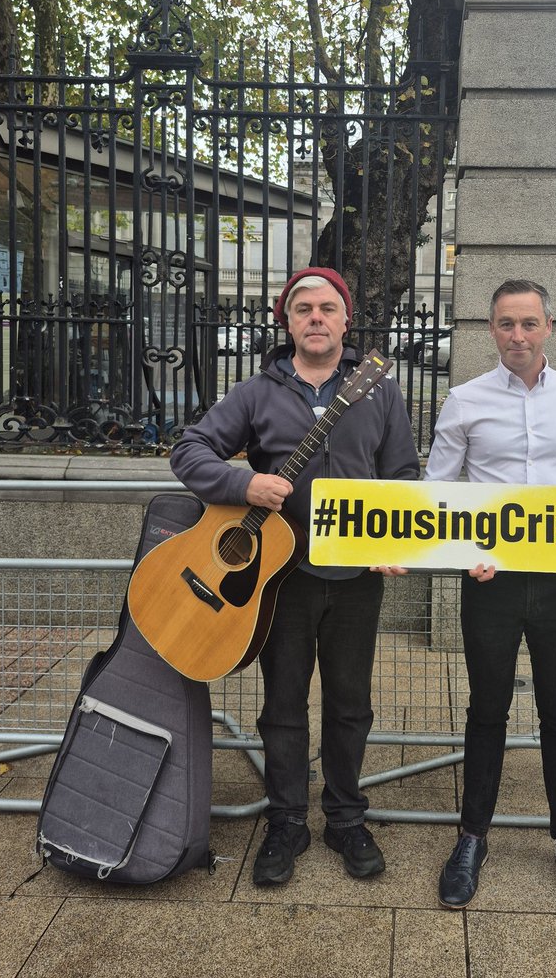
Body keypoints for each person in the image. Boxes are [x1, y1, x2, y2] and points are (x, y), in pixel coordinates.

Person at [169, 267, 420, 887]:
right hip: (278, 578)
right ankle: (286, 820)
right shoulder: (256, 392)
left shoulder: (378, 389)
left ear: (345, 319)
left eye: (327, 308)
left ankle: (345, 817)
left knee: (350, 703)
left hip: (356, 576)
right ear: (287, 321)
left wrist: (394, 540)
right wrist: (243, 484)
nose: (316, 318)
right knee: (282, 704)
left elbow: (403, 476)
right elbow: (189, 450)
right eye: (303, 309)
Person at [424, 279, 556, 921]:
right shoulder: (465, 400)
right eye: (507, 324)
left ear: (548, 328)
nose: (518, 335)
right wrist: (462, 550)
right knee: (486, 710)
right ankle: (472, 838)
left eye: (529, 323)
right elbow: (437, 488)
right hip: (492, 582)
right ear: (492, 329)